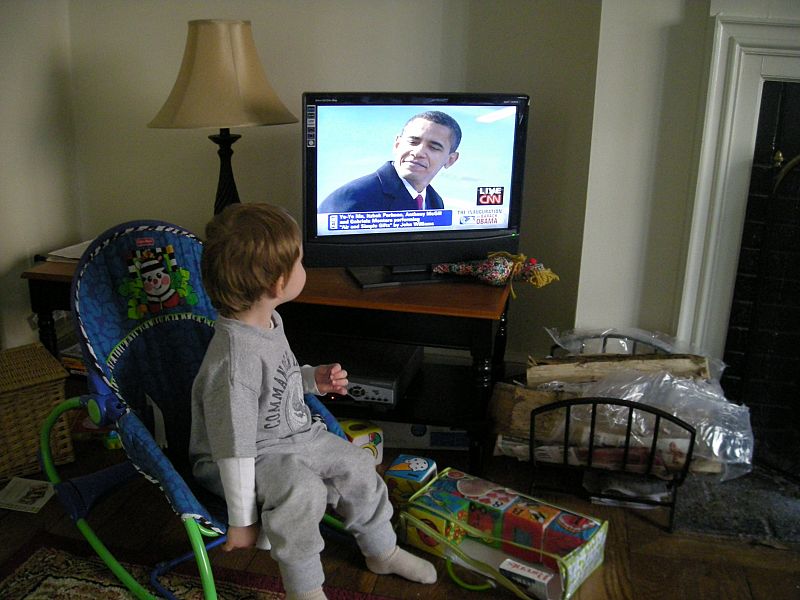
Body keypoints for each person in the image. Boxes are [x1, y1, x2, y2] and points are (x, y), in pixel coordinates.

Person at [189, 203, 437, 600]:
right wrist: (241, 520)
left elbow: (276, 383)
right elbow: (232, 448)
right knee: (302, 492)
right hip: (248, 458)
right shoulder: (235, 360)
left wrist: (311, 379)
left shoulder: (266, 322)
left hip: (296, 435)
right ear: (277, 283)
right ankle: (305, 590)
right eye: (301, 261)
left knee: (358, 463)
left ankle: (382, 550)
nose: (306, 267)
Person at [319, 110, 461, 213]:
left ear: (450, 160)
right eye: (413, 141)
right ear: (397, 144)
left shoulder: (435, 201)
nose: (418, 152)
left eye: (434, 147)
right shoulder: (354, 197)